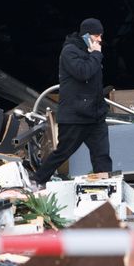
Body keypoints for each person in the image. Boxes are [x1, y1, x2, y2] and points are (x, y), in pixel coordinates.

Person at [32, 18, 112, 185]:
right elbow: (83, 72)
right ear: (87, 35)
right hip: (76, 116)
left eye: (101, 35)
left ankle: (106, 187)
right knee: (63, 152)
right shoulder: (70, 51)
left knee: (102, 155)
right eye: (97, 35)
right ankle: (38, 180)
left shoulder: (91, 51)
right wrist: (96, 55)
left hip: (95, 115)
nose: (100, 40)